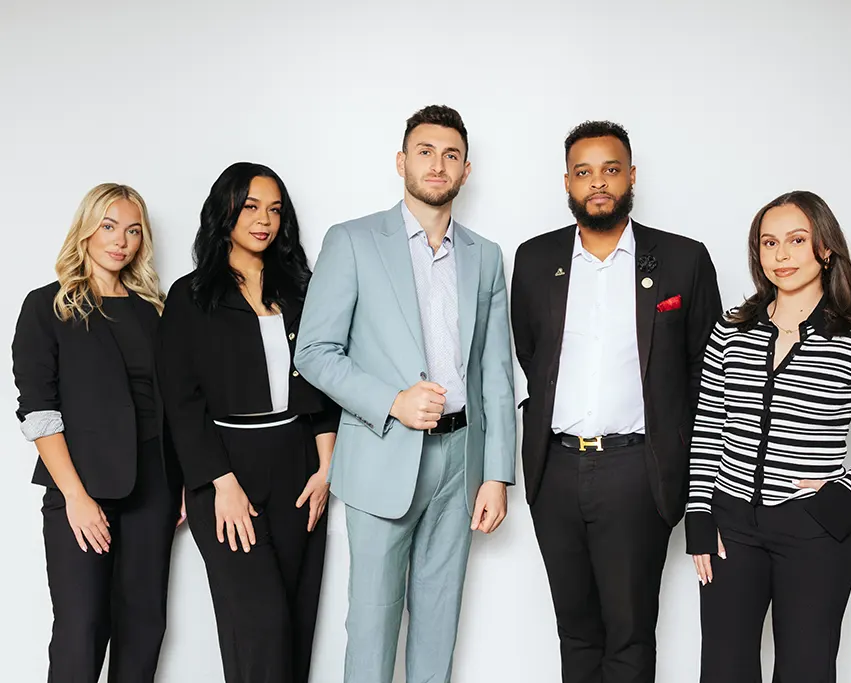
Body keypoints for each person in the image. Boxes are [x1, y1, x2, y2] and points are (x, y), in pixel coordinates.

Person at [294, 104, 516, 683]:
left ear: (466, 169)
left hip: (461, 463)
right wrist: (392, 401)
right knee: (372, 625)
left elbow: (495, 371)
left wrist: (497, 473)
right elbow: (313, 351)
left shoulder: (485, 256)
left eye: (450, 155)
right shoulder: (352, 241)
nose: (437, 165)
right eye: (425, 152)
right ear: (401, 162)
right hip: (382, 453)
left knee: (439, 626)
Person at [511, 120, 721, 683]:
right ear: (567, 182)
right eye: (583, 172)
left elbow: (706, 373)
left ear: (631, 176)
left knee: (628, 635)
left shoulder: (682, 259)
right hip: (555, 469)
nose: (597, 182)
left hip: (637, 470)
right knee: (576, 633)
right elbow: (532, 355)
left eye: (610, 169)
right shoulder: (535, 259)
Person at [686, 190, 851, 683]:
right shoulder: (731, 329)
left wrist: (847, 490)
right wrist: (699, 512)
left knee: (806, 670)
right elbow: (708, 425)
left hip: (813, 528)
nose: (781, 255)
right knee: (723, 670)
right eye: (769, 243)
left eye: (797, 240)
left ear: (825, 248)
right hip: (731, 528)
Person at [156, 162, 339, 683]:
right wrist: (221, 484)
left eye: (275, 210)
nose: (264, 220)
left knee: (296, 623)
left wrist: (326, 468)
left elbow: (325, 379)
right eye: (252, 207)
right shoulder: (191, 296)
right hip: (226, 470)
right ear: (226, 211)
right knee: (259, 626)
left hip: (300, 466)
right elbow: (181, 401)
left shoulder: (302, 290)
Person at [12, 183, 183, 682]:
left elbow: (173, 406)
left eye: (133, 230)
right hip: (80, 488)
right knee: (82, 627)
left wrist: (181, 485)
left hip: (153, 488)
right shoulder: (47, 307)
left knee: (144, 627)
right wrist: (75, 497)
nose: (120, 241)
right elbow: (39, 411)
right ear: (86, 229)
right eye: (109, 226)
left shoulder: (154, 311)